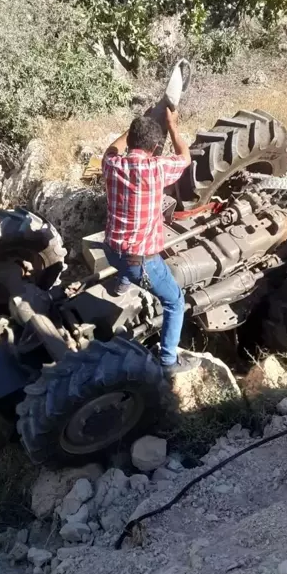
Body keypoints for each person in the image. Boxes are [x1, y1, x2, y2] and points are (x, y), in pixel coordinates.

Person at [102, 107, 201, 377]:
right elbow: (184, 156)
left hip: (110, 251)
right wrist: (172, 125)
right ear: (156, 147)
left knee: (124, 262)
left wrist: (137, 124)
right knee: (174, 302)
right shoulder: (157, 168)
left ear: (131, 140)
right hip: (140, 263)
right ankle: (168, 361)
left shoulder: (111, 164)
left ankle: (121, 287)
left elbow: (112, 147)